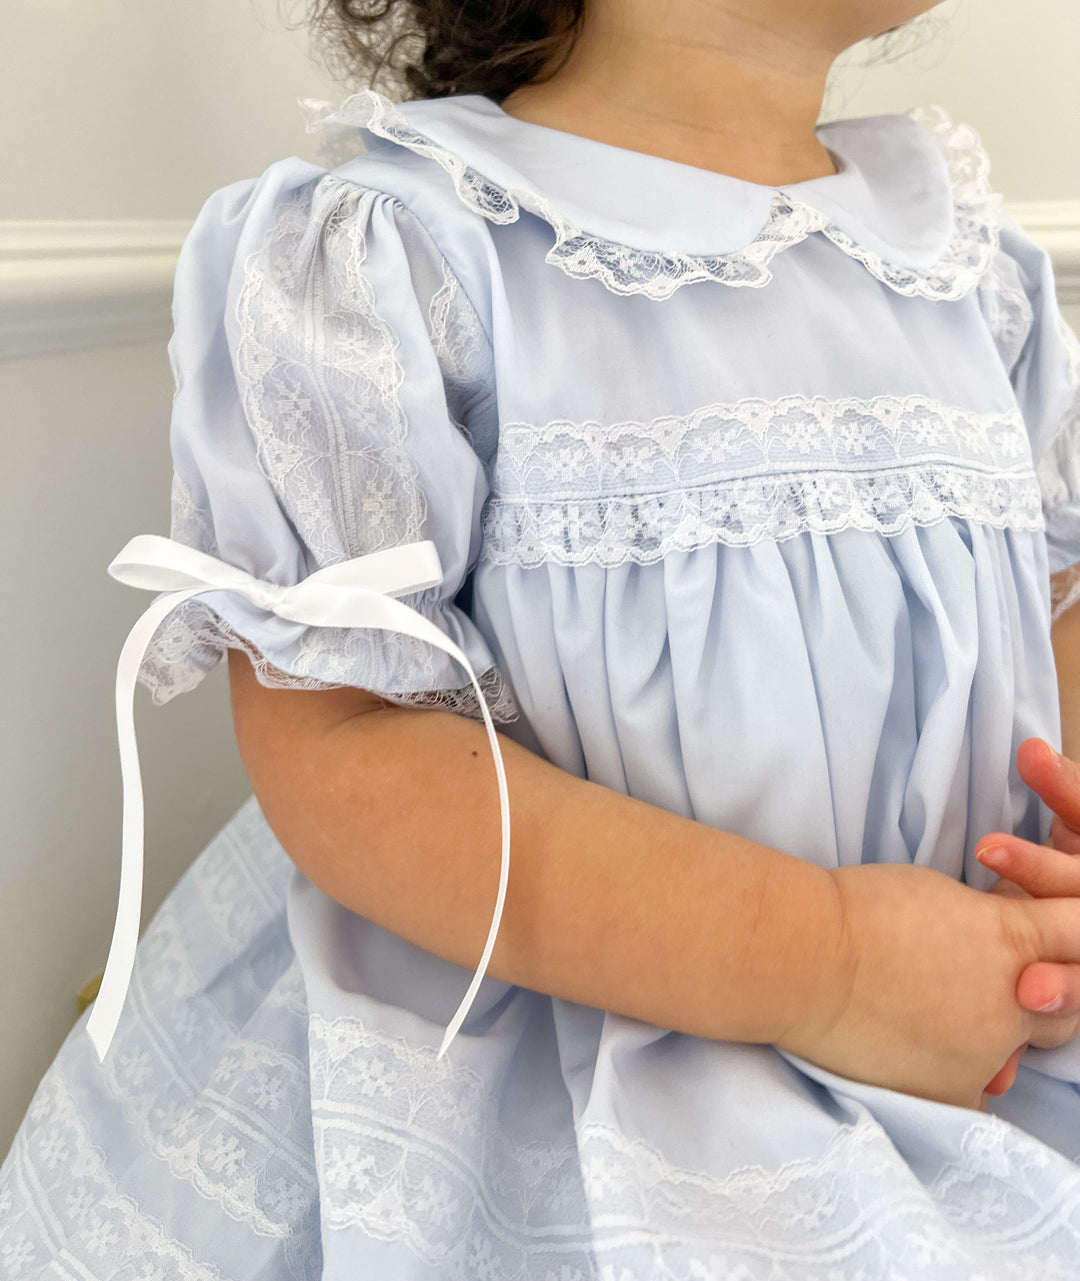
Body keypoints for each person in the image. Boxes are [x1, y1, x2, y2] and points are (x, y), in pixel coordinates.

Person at [4, 0, 1080, 1275]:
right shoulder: (401, 256)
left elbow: (1046, 603)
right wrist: (829, 965)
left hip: (980, 1008)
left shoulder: (971, 272)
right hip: (566, 1060)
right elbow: (345, 737)